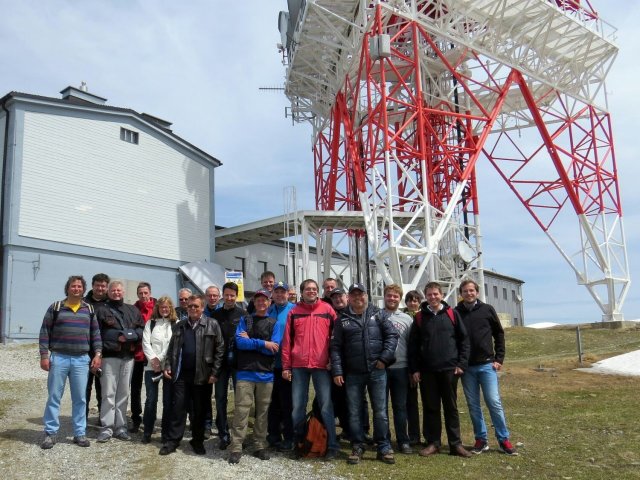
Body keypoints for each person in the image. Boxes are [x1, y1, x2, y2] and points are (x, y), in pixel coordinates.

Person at [331, 283, 398, 465]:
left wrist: (384, 359)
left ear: (366, 296)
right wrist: (337, 370)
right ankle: (357, 445)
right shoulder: (342, 319)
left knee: (380, 411)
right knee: (354, 412)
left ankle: (383, 446)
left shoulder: (378, 314)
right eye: (353, 295)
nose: (357, 298)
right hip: (353, 373)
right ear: (349, 298)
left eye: (360, 294)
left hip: (377, 371)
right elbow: (335, 347)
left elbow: (392, 336)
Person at [39, 275, 102, 449]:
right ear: (67, 288)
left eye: (79, 286)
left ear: (83, 289)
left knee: (80, 398)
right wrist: (44, 356)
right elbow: (44, 332)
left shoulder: (89, 309)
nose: (76, 289)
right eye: (73, 286)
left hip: (81, 359)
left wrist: (98, 354)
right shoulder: (56, 307)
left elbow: (96, 334)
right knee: (54, 397)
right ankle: (50, 433)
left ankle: (79, 433)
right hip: (59, 357)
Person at [455, 279, 518, 456]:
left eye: (471, 290)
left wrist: (499, 358)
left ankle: (503, 439)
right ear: (461, 293)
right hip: (467, 368)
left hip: (486, 365)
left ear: (477, 292)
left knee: (494, 402)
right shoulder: (456, 312)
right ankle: (481, 440)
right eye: (465, 291)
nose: (469, 293)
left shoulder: (487, 309)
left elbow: (499, 333)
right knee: (473, 405)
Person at [408, 282, 471, 458]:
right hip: (427, 371)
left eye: (435, 294)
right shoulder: (420, 317)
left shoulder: (452, 314)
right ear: (426, 297)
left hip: (450, 369)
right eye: (429, 294)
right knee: (431, 407)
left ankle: (455, 444)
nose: (433, 297)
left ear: (441, 295)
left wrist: (461, 364)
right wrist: (415, 369)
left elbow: (464, 340)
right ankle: (433, 443)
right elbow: (413, 346)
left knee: (451, 407)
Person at [281, 279, 340, 460]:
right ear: (302, 292)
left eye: (314, 289)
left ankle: (332, 445)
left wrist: (333, 361)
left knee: (326, 406)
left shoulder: (328, 310)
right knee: (298, 406)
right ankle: (300, 443)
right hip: (299, 365)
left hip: (322, 366)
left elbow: (336, 339)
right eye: (308, 289)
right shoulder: (294, 312)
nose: (312, 291)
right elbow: (287, 342)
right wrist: (286, 366)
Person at [160, 295, 224, 456]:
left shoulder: (212, 324)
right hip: (181, 375)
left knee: (199, 411)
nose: (193, 309)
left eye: (196, 306)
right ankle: (173, 441)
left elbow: (220, 349)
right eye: (190, 306)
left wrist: (215, 372)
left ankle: (197, 441)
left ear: (202, 307)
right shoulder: (180, 326)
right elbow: (172, 349)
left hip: (203, 375)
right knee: (178, 408)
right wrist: (168, 365)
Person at [228, 289, 284, 464]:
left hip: (265, 374)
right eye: (258, 300)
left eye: (264, 300)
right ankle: (236, 446)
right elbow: (240, 343)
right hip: (245, 372)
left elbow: (274, 348)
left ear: (269, 302)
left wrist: (254, 342)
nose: (261, 302)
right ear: (254, 302)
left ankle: (259, 444)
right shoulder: (245, 320)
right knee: (241, 410)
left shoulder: (274, 323)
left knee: (262, 412)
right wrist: (263, 343)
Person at [96, 280, 144, 443]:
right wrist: (117, 336)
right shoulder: (101, 310)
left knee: (123, 394)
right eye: (113, 290)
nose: (116, 292)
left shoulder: (132, 310)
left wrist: (132, 335)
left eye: (119, 290)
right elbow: (96, 333)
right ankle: (107, 428)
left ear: (123, 292)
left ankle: (121, 427)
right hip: (109, 357)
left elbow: (141, 328)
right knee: (108, 393)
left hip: (128, 357)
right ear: (108, 292)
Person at [211, 282, 247, 450]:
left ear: (236, 296)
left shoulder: (244, 315)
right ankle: (223, 434)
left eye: (232, 295)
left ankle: (238, 436)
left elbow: (249, 336)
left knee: (240, 400)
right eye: (226, 295)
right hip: (220, 364)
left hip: (239, 364)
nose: (229, 298)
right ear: (222, 296)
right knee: (220, 399)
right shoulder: (215, 315)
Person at [141, 296, 178, 444]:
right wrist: (153, 360)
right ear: (157, 308)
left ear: (171, 308)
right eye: (162, 307)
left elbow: (172, 344)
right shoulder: (150, 323)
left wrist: (160, 359)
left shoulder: (176, 324)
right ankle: (147, 431)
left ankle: (165, 433)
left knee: (168, 401)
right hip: (151, 367)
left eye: (167, 307)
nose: (164, 309)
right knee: (151, 400)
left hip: (168, 367)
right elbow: (145, 343)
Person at [383, 284, 414, 454]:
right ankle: (384, 440)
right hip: (381, 369)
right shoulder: (376, 316)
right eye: (389, 295)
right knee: (381, 407)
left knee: (400, 406)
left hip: (401, 368)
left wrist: (411, 369)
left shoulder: (407, 319)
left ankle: (403, 440)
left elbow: (411, 345)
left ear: (399, 298)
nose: (392, 298)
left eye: (395, 296)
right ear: (384, 297)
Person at [266, 281, 296, 450]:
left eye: (282, 292)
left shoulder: (295, 310)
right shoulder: (268, 310)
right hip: (270, 364)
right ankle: (273, 435)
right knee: (272, 402)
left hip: (288, 364)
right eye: (276, 292)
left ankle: (289, 436)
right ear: (272, 294)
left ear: (287, 294)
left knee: (287, 402)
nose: (279, 295)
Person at [130, 282, 157, 433]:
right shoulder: (133, 309)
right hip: (136, 355)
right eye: (140, 293)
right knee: (135, 388)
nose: (143, 295)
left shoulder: (158, 307)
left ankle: (150, 419)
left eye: (145, 293)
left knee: (151, 389)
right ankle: (136, 418)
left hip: (152, 355)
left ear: (150, 292)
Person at [83, 273, 110, 421]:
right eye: (97, 285)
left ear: (107, 287)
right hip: (85, 351)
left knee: (103, 388)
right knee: (84, 387)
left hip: (105, 352)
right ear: (92, 285)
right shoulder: (84, 303)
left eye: (103, 286)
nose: (100, 288)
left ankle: (102, 417)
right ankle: (82, 418)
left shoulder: (111, 304)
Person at [403, 289, 424, 445]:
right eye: (410, 300)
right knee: (409, 401)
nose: (413, 303)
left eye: (416, 300)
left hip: (422, 363)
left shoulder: (423, 317)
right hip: (406, 363)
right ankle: (411, 435)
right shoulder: (401, 316)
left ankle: (420, 434)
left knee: (426, 401)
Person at [203, 284, 221, 435]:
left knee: (220, 396)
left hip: (221, 358)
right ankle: (207, 425)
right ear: (205, 297)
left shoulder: (222, 312)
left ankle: (221, 425)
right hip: (205, 359)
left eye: (215, 295)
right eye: (209, 295)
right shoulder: (201, 313)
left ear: (219, 297)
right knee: (206, 395)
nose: (212, 298)